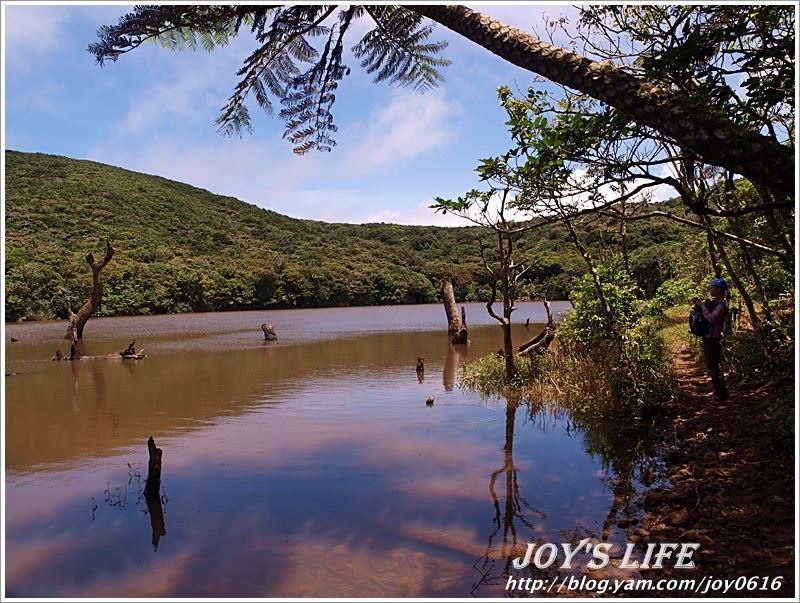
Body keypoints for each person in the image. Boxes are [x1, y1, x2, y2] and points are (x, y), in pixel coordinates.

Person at [692, 277, 730, 401]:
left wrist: (702, 307)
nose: (710, 289)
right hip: (709, 337)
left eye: (713, 287)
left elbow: (712, 318)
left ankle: (721, 393)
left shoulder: (721, 304)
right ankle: (719, 391)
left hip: (713, 338)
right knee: (712, 365)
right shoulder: (716, 302)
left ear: (719, 289)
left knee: (714, 365)